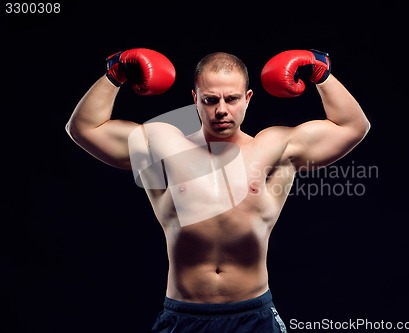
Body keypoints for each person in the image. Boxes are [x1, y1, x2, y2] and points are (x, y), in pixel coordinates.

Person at [65, 47, 370, 332]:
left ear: (248, 98)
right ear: (195, 98)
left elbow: (353, 126)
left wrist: (321, 72)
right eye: (210, 100)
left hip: (255, 315)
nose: (222, 110)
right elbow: (84, 128)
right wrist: (114, 73)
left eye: (232, 99)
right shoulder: (162, 144)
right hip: (183, 315)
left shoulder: (275, 147)